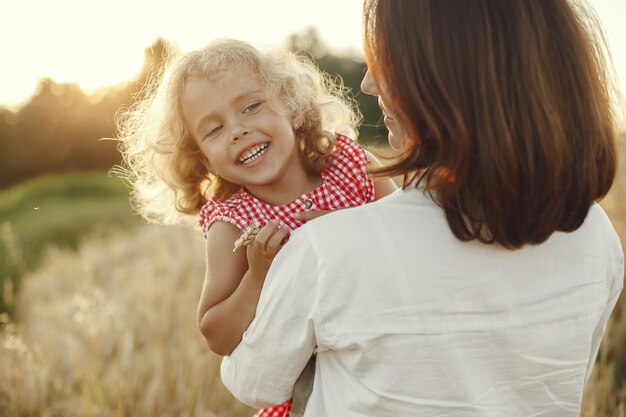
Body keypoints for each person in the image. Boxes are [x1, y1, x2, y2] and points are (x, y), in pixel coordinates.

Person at [219, 1, 624, 416]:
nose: (368, 85)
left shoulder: (329, 249)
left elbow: (254, 382)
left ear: (445, 77)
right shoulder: (595, 234)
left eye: (386, 62)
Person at [115, 38, 396, 417]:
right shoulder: (232, 223)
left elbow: (400, 231)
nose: (237, 130)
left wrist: (348, 232)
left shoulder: (348, 162)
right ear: (204, 158)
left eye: (251, 107)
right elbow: (216, 333)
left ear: (292, 107)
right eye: (214, 129)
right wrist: (258, 277)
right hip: (307, 390)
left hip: (387, 348)